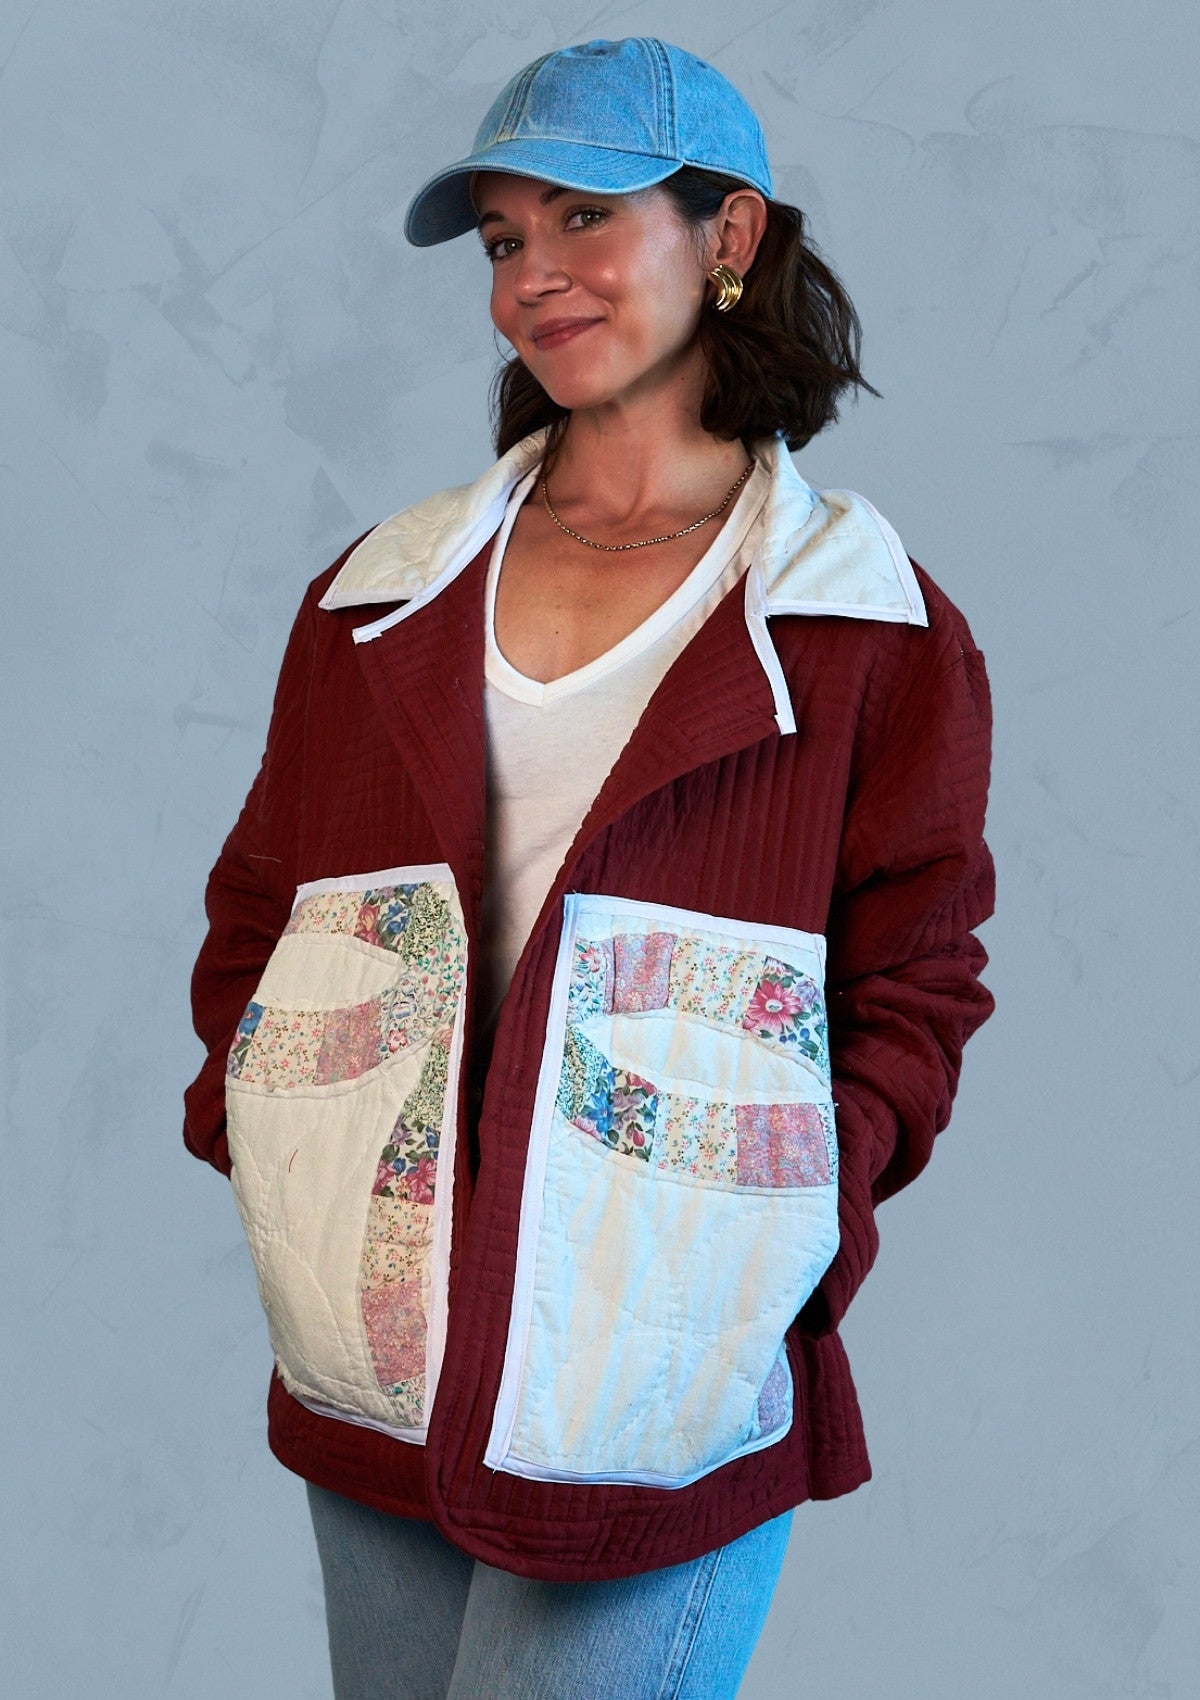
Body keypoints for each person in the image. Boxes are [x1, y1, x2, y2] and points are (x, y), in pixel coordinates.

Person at [183, 35, 996, 1700]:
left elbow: (918, 971)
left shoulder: (865, 628)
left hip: (660, 1358)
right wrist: (261, 1127)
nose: (531, 280)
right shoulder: (376, 592)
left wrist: (791, 1209)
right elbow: (263, 906)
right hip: (376, 1346)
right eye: (500, 241)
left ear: (731, 238)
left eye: (581, 220)